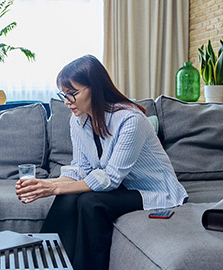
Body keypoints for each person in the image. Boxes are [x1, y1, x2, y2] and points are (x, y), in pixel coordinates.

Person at [15, 55, 188, 270]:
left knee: (90, 202)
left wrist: (53, 187)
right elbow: (81, 169)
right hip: (121, 186)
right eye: (64, 94)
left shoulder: (130, 120)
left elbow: (111, 178)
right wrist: (47, 185)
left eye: (72, 94)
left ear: (94, 88)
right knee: (68, 198)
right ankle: (42, 262)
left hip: (152, 190)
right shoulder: (78, 122)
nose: (67, 101)